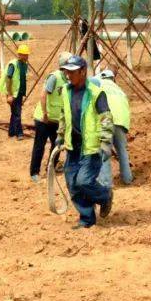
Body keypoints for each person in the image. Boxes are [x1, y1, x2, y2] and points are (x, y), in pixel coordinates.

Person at [56, 55, 113, 228]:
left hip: (91, 147)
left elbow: (106, 117)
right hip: (73, 146)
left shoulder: (95, 93)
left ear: (83, 72)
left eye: (72, 72)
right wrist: (60, 135)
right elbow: (63, 115)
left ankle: (105, 196)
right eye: (66, 72)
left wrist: (105, 142)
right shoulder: (65, 91)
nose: (68, 75)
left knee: (84, 182)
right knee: (72, 184)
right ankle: (87, 219)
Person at [29, 53, 69, 182]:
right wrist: (45, 113)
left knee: (57, 144)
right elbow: (43, 95)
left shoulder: (67, 79)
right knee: (39, 145)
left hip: (56, 119)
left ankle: (50, 167)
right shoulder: (54, 77)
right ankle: (34, 172)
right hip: (44, 119)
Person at [97, 69, 133, 185]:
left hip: (106, 120)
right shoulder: (120, 90)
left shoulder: (99, 86)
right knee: (122, 150)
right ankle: (127, 179)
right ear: (113, 78)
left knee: (104, 151)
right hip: (121, 122)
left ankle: (106, 183)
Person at [0, 44, 30, 139]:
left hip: (19, 93)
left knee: (14, 112)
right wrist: (9, 95)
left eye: (27, 54)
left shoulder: (24, 65)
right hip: (13, 93)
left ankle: (11, 132)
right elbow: (8, 79)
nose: (26, 56)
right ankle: (19, 133)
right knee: (17, 113)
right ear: (19, 54)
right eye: (24, 54)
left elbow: (21, 79)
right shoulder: (13, 64)